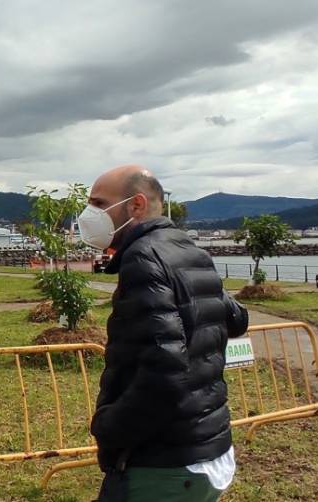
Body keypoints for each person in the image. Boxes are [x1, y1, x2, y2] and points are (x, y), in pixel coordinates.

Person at [79, 165, 249, 502]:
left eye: (99, 204)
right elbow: (235, 319)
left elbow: (164, 371)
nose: (89, 214)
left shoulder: (143, 257)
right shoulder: (187, 249)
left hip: (164, 461)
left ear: (136, 205)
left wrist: (109, 428)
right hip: (208, 446)